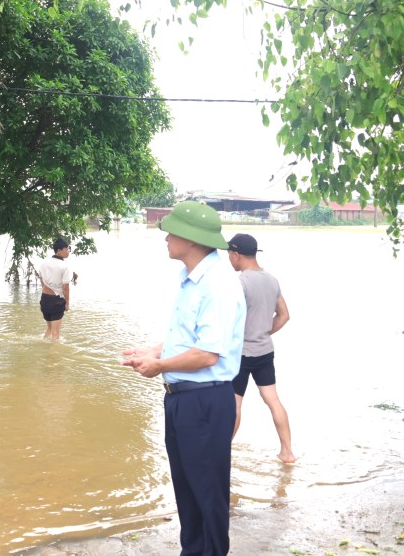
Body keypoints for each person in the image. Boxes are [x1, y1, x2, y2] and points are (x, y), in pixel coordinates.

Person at [122, 202, 245, 556]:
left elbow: (209, 354)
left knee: (207, 493)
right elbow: (187, 340)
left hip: (205, 400)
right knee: (188, 490)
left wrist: (160, 366)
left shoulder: (217, 284)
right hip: (182, 398)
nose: (166, 237)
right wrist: (153, 353)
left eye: (172, 231)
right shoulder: (192, 279)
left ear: (191, 239)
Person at [227, 233, 296, 464]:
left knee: (235, 402)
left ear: (236, 255)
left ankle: (223, 451)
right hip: (265, 351)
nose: (228, 258)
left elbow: (229, 320)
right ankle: (287, 452)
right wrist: (264, 332)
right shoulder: (272, 279)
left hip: (241, 354)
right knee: (273, 399)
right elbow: (284, 316)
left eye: (229, 254)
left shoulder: (240, 283)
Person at [37, 237, 73, 340]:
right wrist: (67, 304)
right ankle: (54, 356)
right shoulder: (65, 266)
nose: (68, 251)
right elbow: (65, 287)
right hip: (56, 301)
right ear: (59, 250)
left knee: (49, 329)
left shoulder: (44, 263)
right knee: (56, 334)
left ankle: (43, 349)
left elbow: (42, 281)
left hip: (44, 299)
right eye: (66, 249)